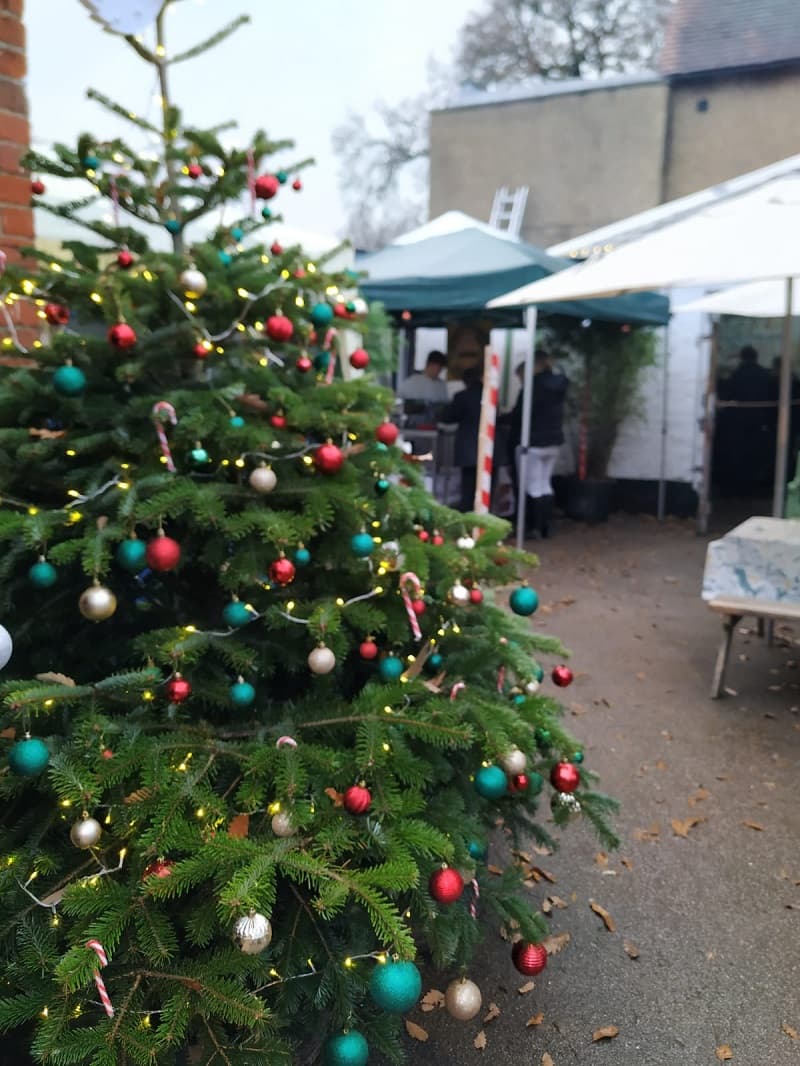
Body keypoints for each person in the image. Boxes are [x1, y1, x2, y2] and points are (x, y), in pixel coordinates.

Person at [510, 349, 567, 537]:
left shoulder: (532, 386)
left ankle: (533, 527)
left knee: (532, 486)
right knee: (545, 485)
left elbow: (519, 415)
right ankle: (545, 527)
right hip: (553, 442)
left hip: (532, 442)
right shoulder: (560, 384)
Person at [441, 365, 483, 511]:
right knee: (486, 489)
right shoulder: (491, 396)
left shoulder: (462, 397)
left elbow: (448, 417)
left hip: (469, 449)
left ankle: (468, 523)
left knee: (468, 490)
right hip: (491, 450)